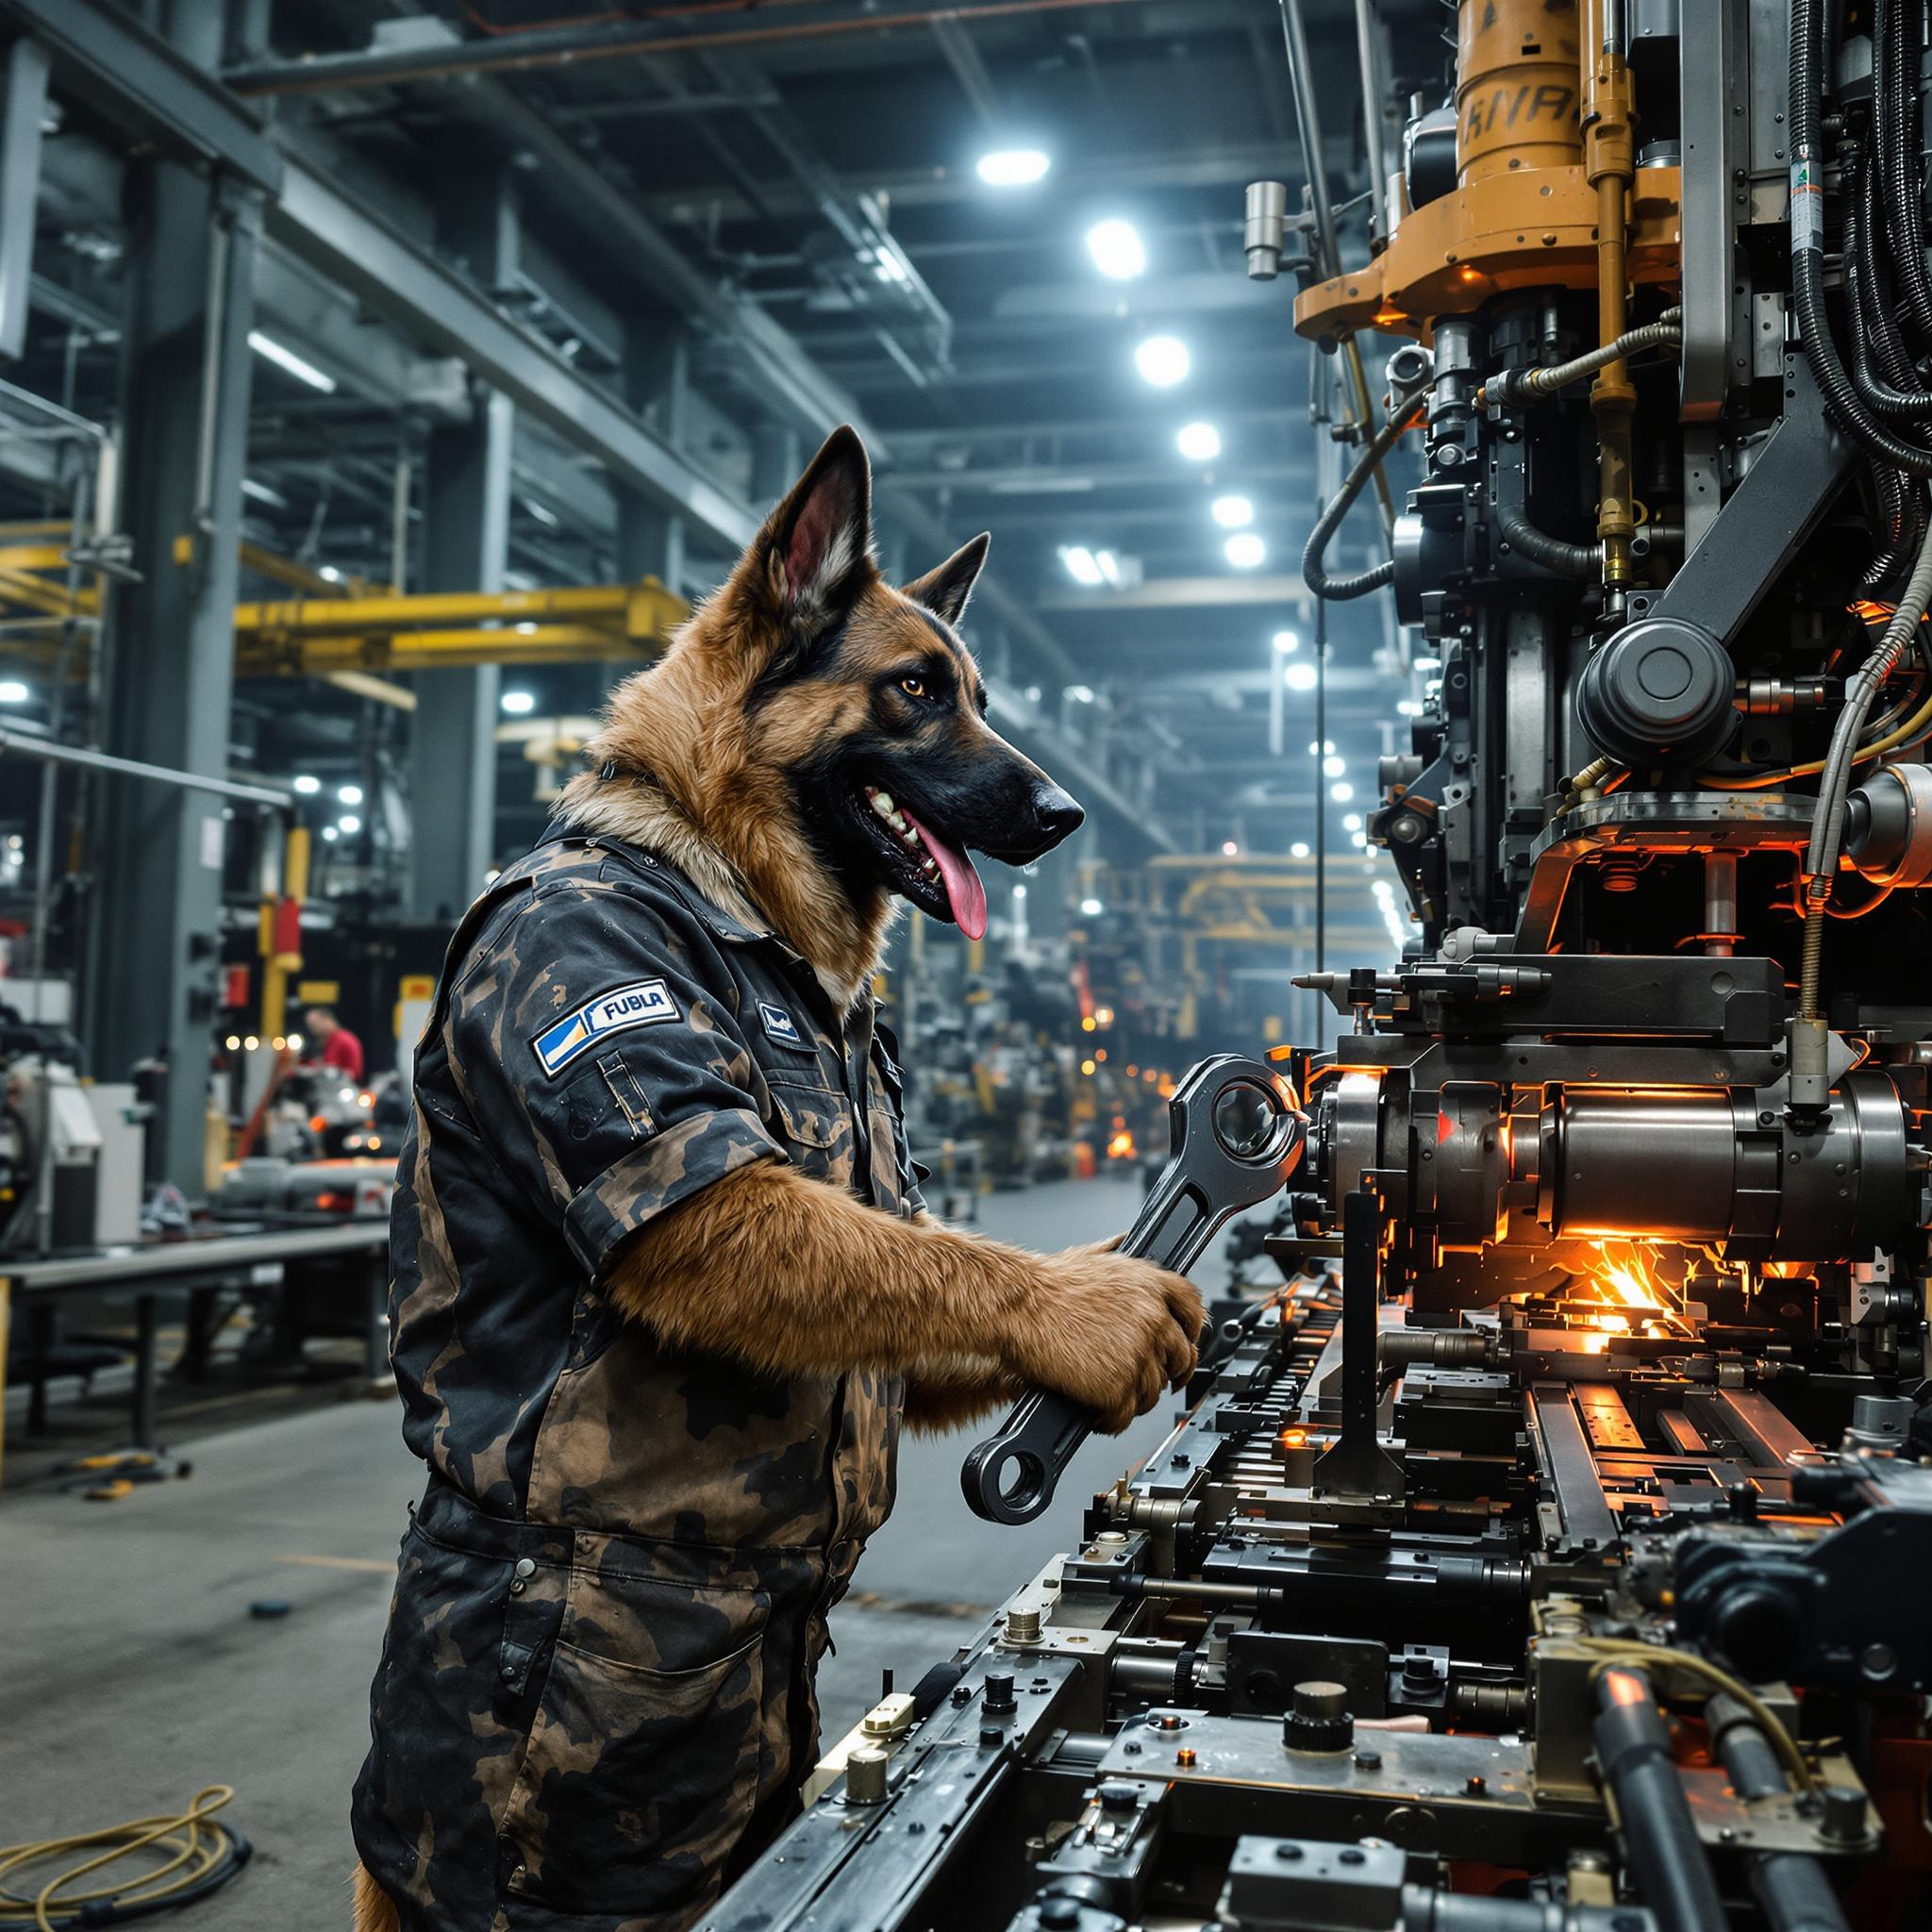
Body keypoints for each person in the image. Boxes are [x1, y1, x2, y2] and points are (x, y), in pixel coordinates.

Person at [349, 429, 1200, 1932]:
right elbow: (709, 1244)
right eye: (916, 697)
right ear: (773, 629)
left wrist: (1033, 1347)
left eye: (965, 702)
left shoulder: (794, 989)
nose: (995, 766)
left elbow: (835, 1321)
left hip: (737, 1672)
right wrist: (1026, 1297)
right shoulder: (586, 929)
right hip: (558, 1695)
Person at [304, 1005, 364, 1083]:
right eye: (310, 1027)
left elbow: (355, 1072)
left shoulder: (344, 1040)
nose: (313, 1030)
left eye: (315, 1025)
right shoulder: (320, 1042)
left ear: (328, 1020)